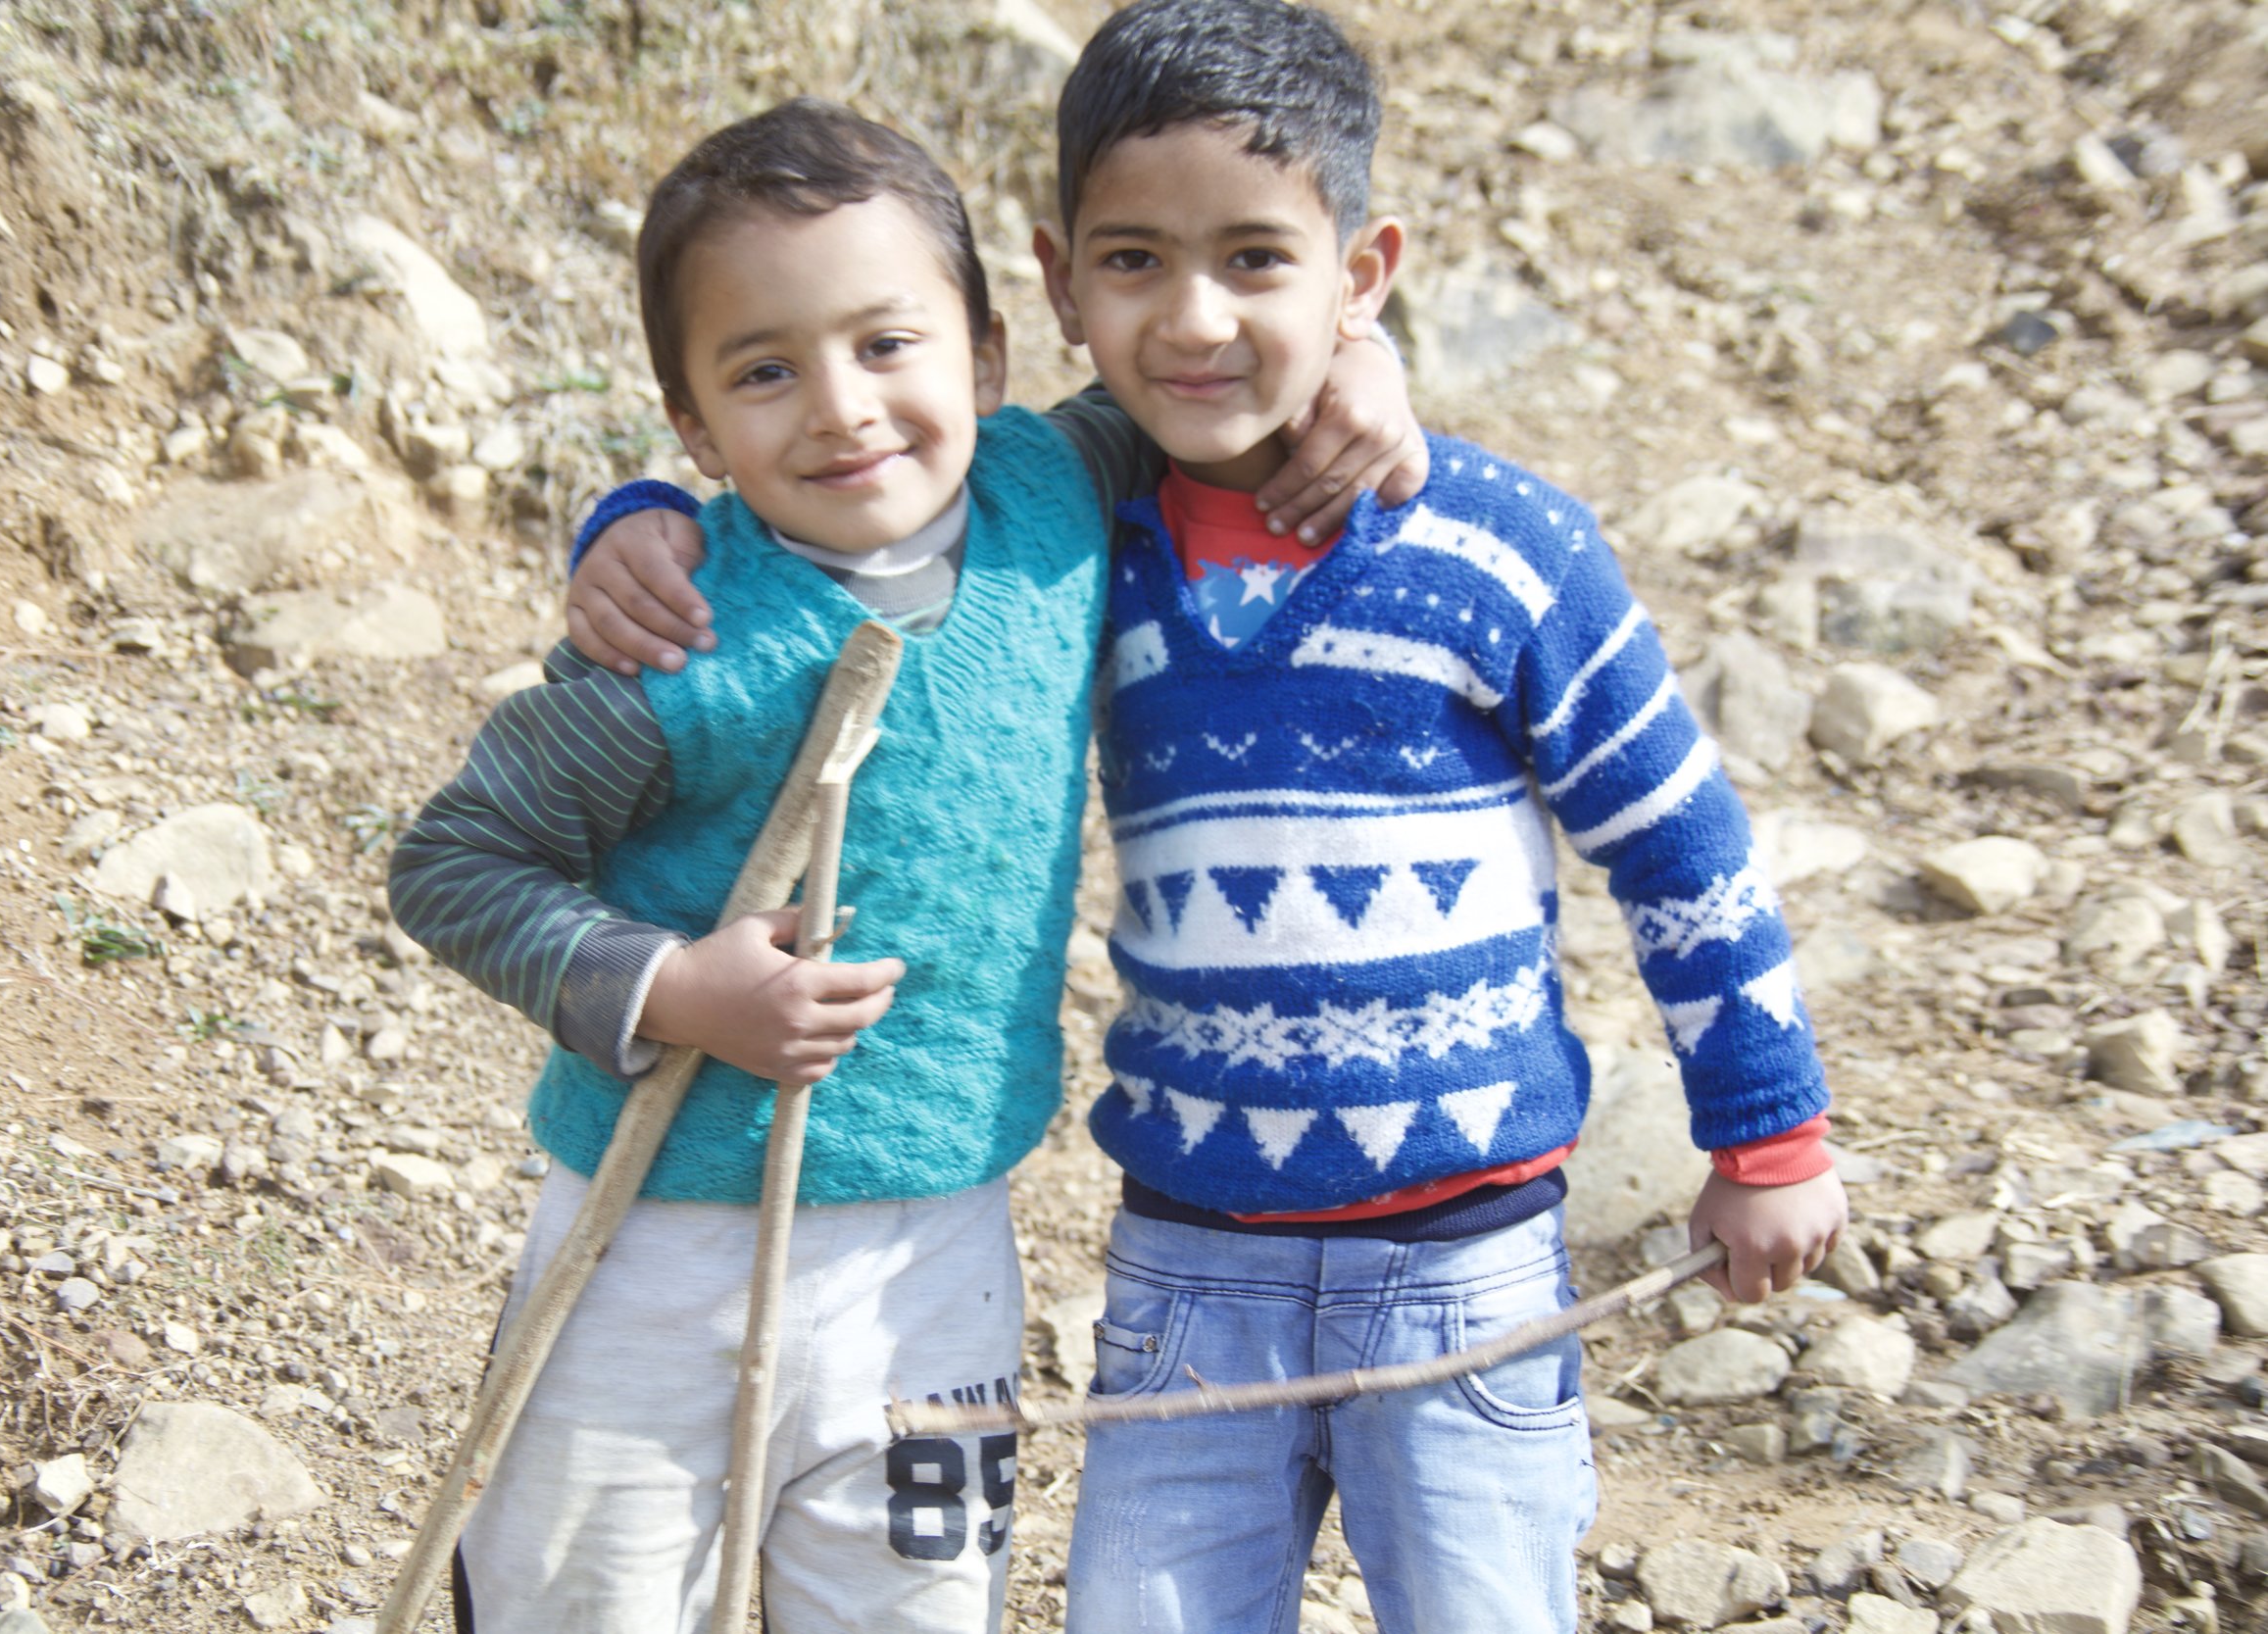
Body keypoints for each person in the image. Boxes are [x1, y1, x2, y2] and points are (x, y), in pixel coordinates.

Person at [564, 5, 1849, 1630]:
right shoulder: (1075, 532)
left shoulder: (1505, 547)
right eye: (1135, 263)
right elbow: (838, 508)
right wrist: (638, 519)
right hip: (1192, 1261)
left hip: (1467, 1262)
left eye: (1257, 261)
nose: (1192, 318)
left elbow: (1680, 845)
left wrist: (1768, 1135)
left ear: (1359, 270)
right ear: (1056, 283)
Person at [389, 95, 1423, 1634]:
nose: (840, 407)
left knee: (912, 1605)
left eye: (888, 346)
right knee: (577, 1601)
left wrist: (1366, 359)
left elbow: (1213, 376)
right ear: (691, 427)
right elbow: (457, 863)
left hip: (937, 1247)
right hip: (650, 1240)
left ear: (992, 355)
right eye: (763, 371)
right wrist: (673, 988)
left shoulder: (1056, 494)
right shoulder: (676, 641)